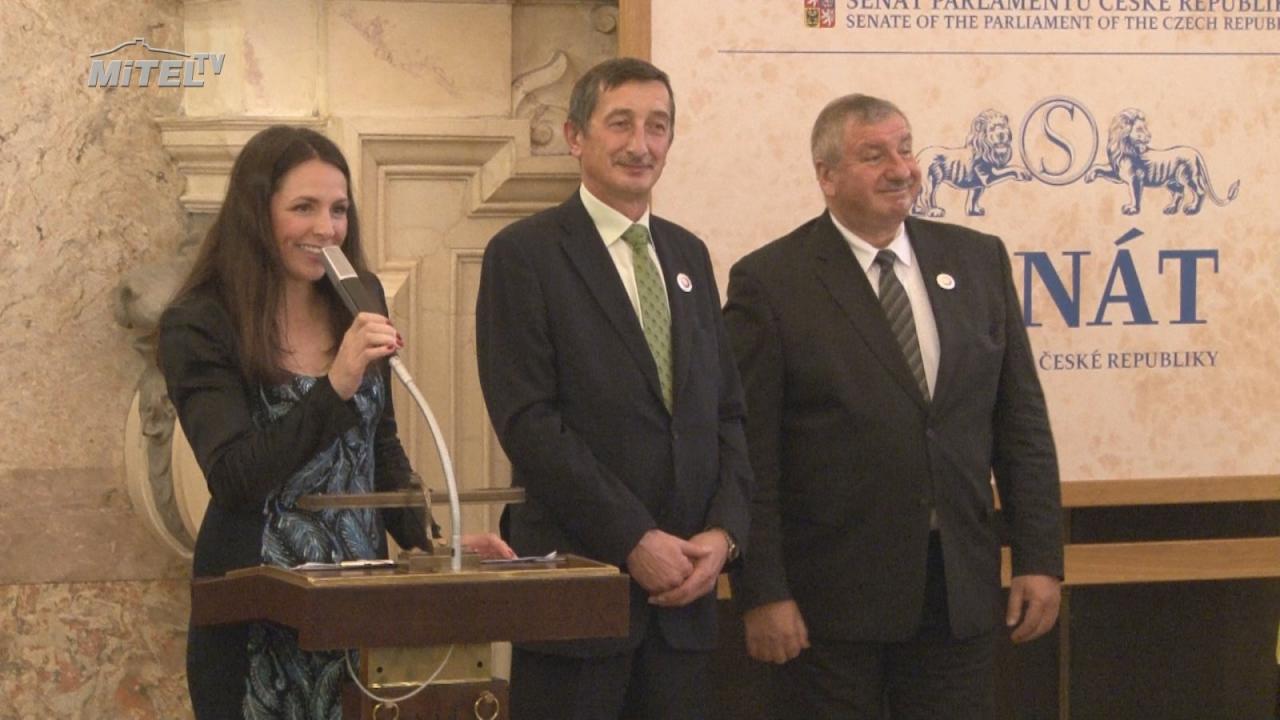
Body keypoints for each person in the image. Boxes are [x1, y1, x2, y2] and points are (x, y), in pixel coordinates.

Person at [723, 94, 1064, 719]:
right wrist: (762, 591)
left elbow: (1021, 426)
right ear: (827, 176)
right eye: (874, 155)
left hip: (955, 593)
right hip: (827, 607)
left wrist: (1039, 558)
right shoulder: (770, 282)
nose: (901, 168)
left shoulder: (978, 260)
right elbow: (750, 455)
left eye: (905, 149)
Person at [158, 125, 513, 719]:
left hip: (357, 613)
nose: (326, 228)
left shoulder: (358, 296)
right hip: (257, 623)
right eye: (304, 208)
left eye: (339, 210)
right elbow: (236, 476)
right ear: (256, 214)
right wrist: (335, 386)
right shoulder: (201, 322)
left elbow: (380, 447)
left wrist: (430, 543)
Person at [474, 58, 752, 720]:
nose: (641, 144)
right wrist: (633, 538)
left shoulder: (688, 255)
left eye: (658, 126)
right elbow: (528, 422)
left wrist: (724, 534)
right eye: (620, 123)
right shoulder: (524, 253)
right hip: (580, 595)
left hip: (684, 602)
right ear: (575, 136)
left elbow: (726, 414)